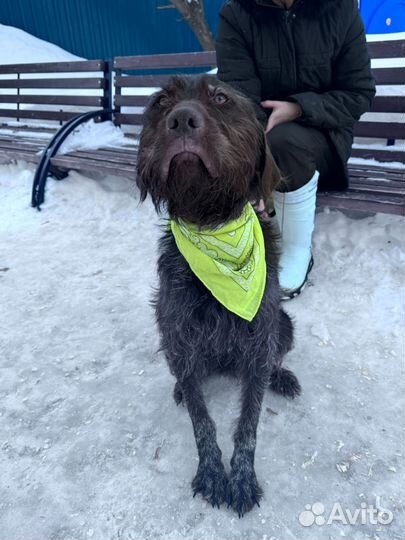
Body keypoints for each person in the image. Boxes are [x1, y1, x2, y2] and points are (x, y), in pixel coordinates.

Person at [216, 0, 376, 299]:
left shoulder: (339, 9)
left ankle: (294, 248)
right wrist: (252, 167)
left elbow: (359, 93)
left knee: (285, 141)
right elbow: (238, 99)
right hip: (259, 136)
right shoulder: (237, 15)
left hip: (327, 137)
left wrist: (299, 108)